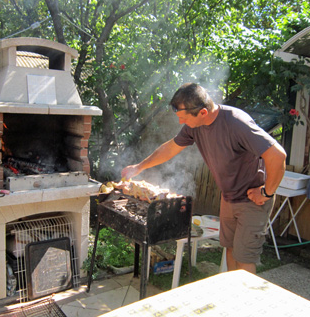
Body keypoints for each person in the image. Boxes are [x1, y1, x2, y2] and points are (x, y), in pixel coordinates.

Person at [121, 83, 286, 274]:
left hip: (251, 201)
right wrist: (139, 166)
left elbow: (277, 156)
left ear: (203, 113)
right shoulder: (195, 126)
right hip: (229, 198)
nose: (182, 123)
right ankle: (234, 299)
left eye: (184, 118)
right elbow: (170, 148)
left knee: (245, 259)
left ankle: (245, 301)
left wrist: (266, 192)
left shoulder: (236, 123)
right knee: (231, 251)